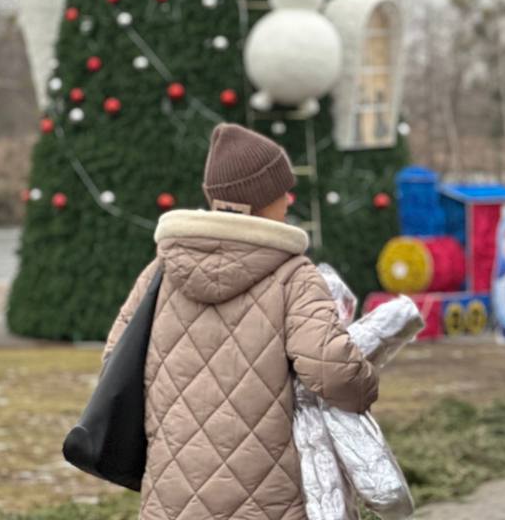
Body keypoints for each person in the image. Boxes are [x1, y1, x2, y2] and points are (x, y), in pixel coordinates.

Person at [104, 123, 379, 520]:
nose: (288, 198)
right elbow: (334, 373)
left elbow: (116, 361)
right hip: (270, 499)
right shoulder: (294, 276)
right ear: (258, 199)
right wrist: (366, 384)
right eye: (281, 189)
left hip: (173, 498)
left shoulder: (159, 274)